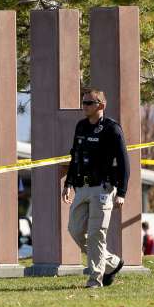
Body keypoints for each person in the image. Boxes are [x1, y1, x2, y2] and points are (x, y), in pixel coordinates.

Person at [62, 88, 128, 288]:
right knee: (74, 229)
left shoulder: (112, 129)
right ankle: (112, 263)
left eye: (89, 103)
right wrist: (68, 183)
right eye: (83, 102)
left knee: (96, 234)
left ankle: (95, 279)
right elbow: (75, 156)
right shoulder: (81, 126)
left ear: (101, 105)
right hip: (82, 188)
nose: (85, 106)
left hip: (103, 189)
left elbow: (124, 163)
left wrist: (122, 192)